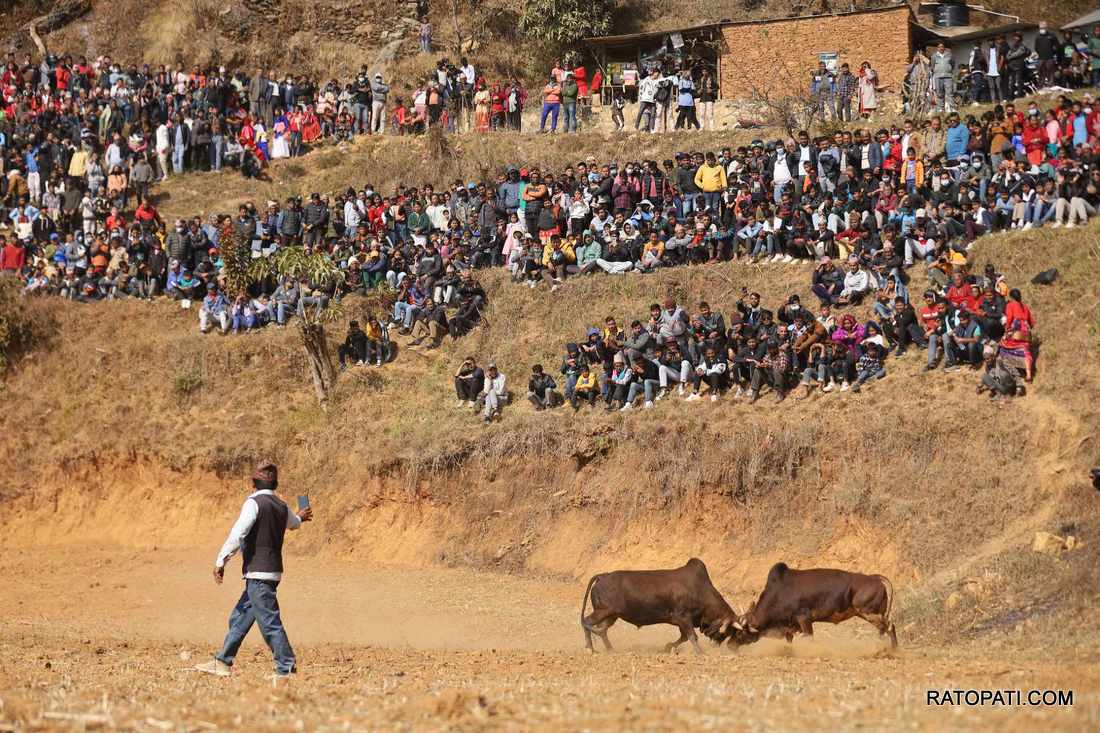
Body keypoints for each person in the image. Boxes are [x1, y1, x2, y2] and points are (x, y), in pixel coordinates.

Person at [195, 463, 313, 678]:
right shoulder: (281, 505)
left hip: (258, 573)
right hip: (271, 572)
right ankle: (222, 661)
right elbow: (294, 523)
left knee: (269, 622)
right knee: (240, 617)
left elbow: (238, 534)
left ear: (253, 483)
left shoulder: (253, 503)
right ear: (275, 483)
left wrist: (221, 560)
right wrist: (301, 516)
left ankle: (286, 667)